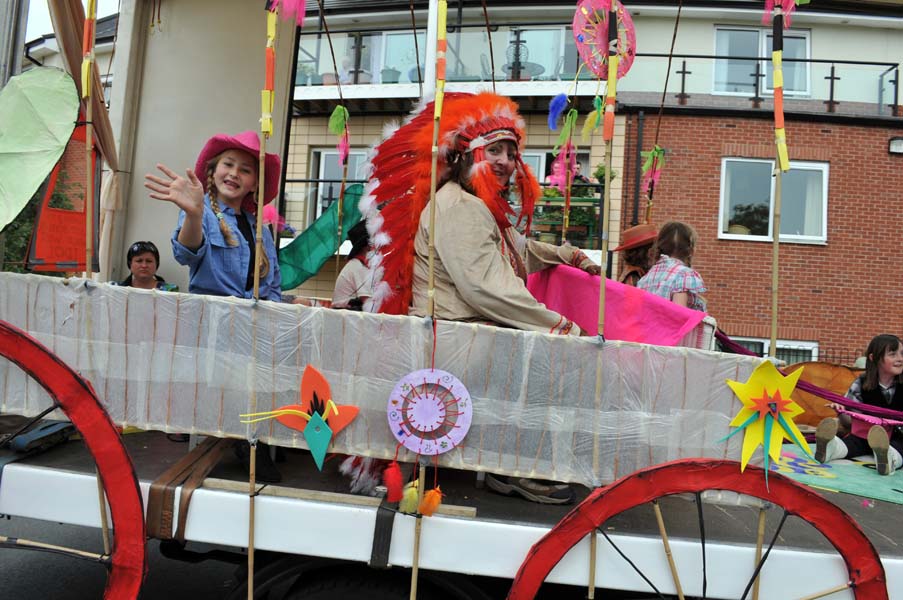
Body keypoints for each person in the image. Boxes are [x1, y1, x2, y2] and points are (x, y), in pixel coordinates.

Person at [361, 92, 598, 504]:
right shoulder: (460, 206)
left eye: (511, 151)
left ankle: (501, 466)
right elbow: (485, 287)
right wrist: (561, 328)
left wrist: (567, 256)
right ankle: (510, 468)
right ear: (467, 157)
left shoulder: (476, 205)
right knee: (543, 361)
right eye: (495, 151)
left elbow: (515, 247)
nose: (506, 160)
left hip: (464, 338)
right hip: (455, 341)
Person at [144, 130, 283, 481]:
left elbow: (272, 287)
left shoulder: (261, 229)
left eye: (246, 170)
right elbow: (186, 251)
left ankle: (251, 448)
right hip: (212, 331)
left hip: (253, 336)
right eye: (228, 164)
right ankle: (190, 482)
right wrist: (192, 214)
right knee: (208, 413)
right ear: (213, 170)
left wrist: (275, 318)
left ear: (254, 184)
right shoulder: (201, 213)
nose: (234, 173)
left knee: (255, 401)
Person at [815, 334, 903, 475]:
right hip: (867, 434)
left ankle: (888, 458)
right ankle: (831, 448)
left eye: (902, 354)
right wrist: (841, 411)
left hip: (898, 435)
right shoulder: (861, 383)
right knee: (854, 442)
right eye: (893, 354)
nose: (900, 359)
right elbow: (850, 422)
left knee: (900, 445)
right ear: (874, 358)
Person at [637, 221, 706, 311]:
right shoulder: (683, 274)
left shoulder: (645, 279)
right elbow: (679, 314)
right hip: (675, 325)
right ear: (691, 251)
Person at [332, 220, 373, 310]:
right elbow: (369, 302)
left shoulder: (358, 264)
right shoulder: (359, 267)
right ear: (368, 246)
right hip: (346, 317)